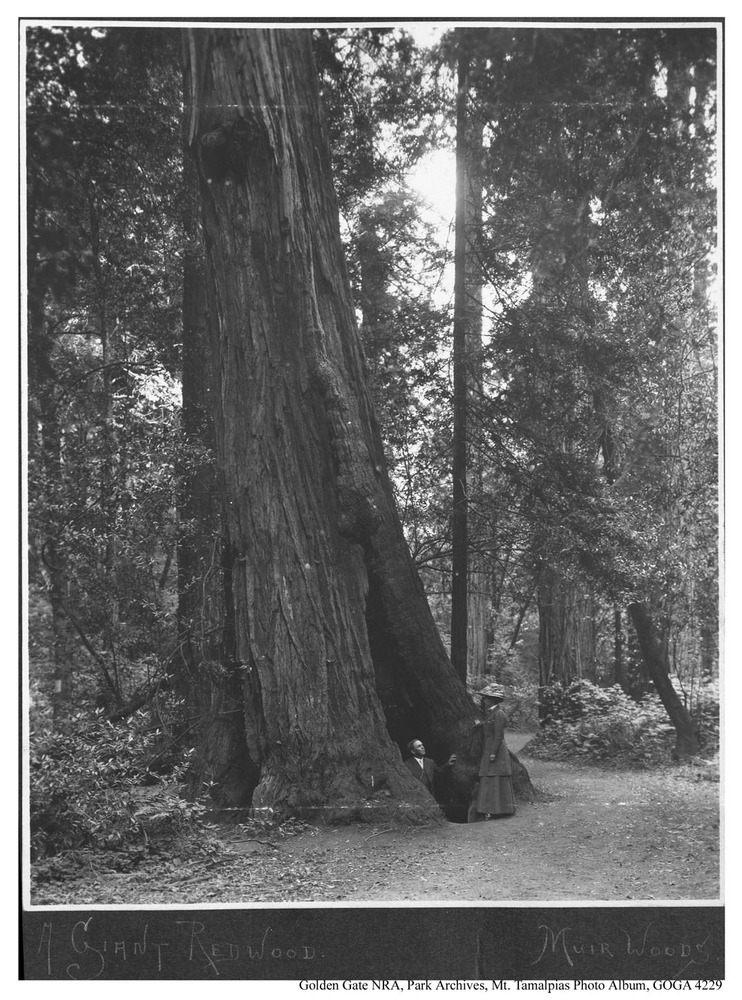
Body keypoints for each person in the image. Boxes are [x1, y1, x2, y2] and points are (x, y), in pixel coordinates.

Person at [468, 681, 516, 822]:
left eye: (486, 698)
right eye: (484, 698)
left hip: (497, 751)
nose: (484, 700)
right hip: (489, 749)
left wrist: (494, 753)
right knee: (489, 779)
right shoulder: (492, 713)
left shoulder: (499, 713)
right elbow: (490, 725)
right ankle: (490, 809)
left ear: (493, 699)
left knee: (495, 779)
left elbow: (499, 736)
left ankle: (498, 810)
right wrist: (480, 725)